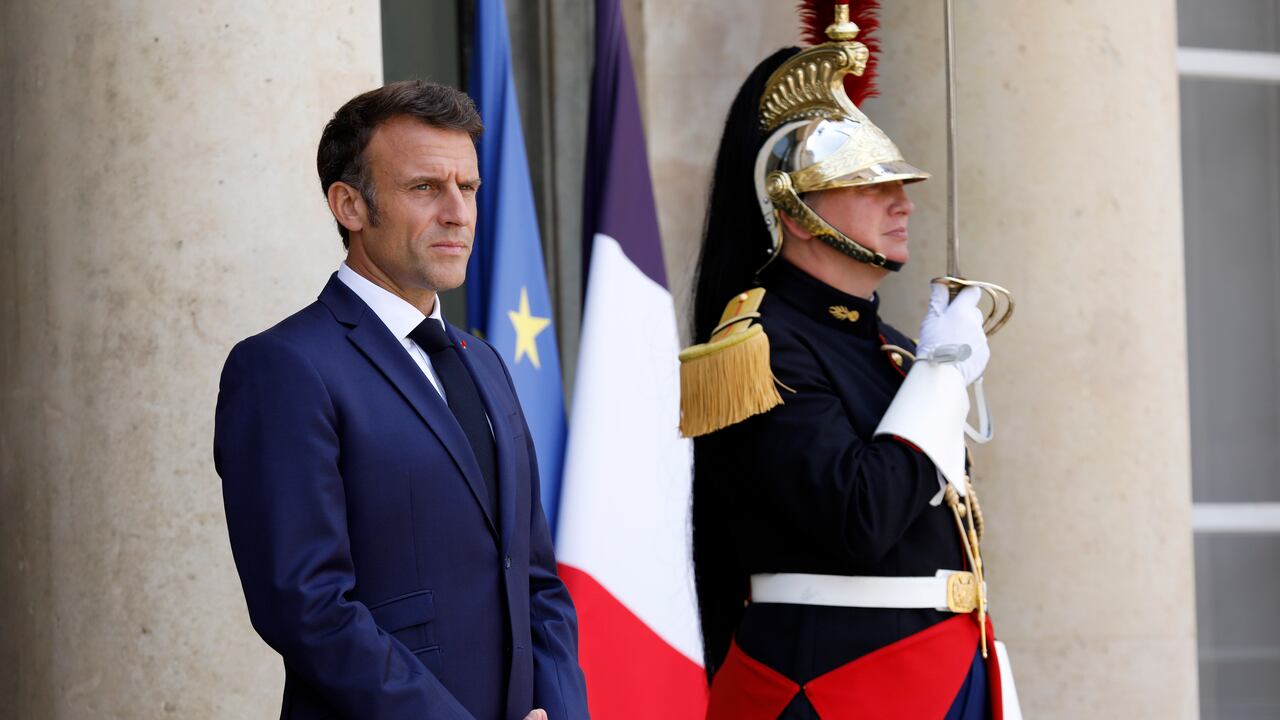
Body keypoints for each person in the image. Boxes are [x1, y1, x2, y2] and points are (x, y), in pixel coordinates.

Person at [214, 80, 588, 720]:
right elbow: (307, 608)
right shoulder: (282, 367)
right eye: (425, 187)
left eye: (467, 187)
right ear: (350, 205)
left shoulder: (484, 361)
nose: (458, 212)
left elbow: (535, 580)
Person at [679, 7, 1014, 719]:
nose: (902, 204)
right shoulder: (760, 344)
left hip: (943, 667)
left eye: (899, 184)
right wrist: (941, 372)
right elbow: (861, 516)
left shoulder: (888, 344)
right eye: (869, 184)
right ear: (795, 213)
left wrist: (930, 366)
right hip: (834, 684)